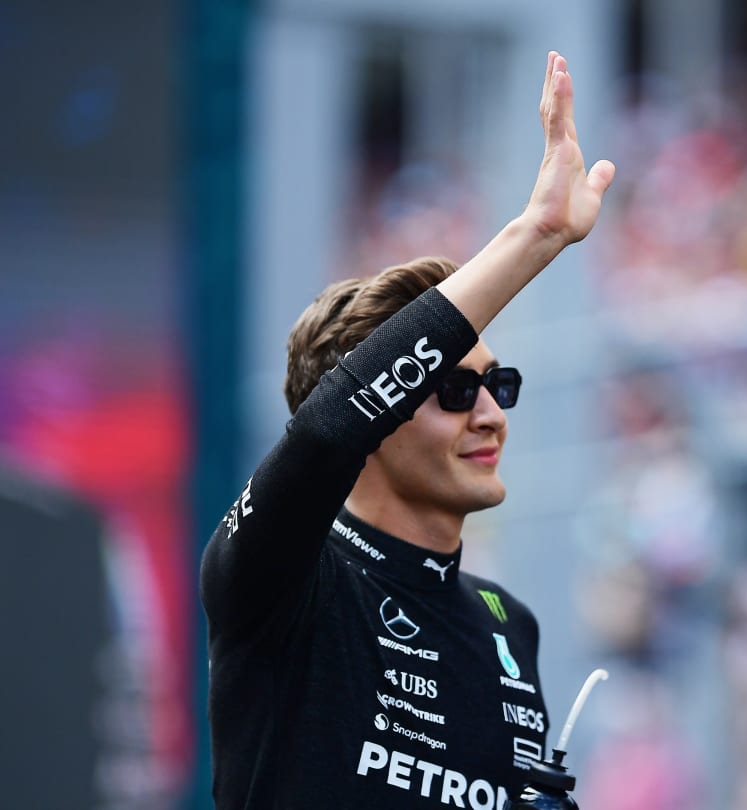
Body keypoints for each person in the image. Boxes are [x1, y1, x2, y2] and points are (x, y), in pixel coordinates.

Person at [200, 51, 615, 810]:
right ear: (379, 415)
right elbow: (327, 432)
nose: (491, 413)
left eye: (499, 386)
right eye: (454, 390)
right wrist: (538, 235)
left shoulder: (507, 625)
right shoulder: (281, 576)